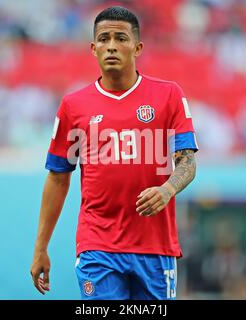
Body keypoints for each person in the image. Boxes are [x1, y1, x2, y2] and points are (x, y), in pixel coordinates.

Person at [30, 6, 198, 300]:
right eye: (104, 39)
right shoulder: (73, 106)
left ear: (138, 47)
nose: (111, 46)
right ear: (93, 49)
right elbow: (58, 178)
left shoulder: (169, 95)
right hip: (98, 246)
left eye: (120, 38)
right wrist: (40, 247)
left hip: (155, 247)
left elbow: (188, 161)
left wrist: (167, 189)